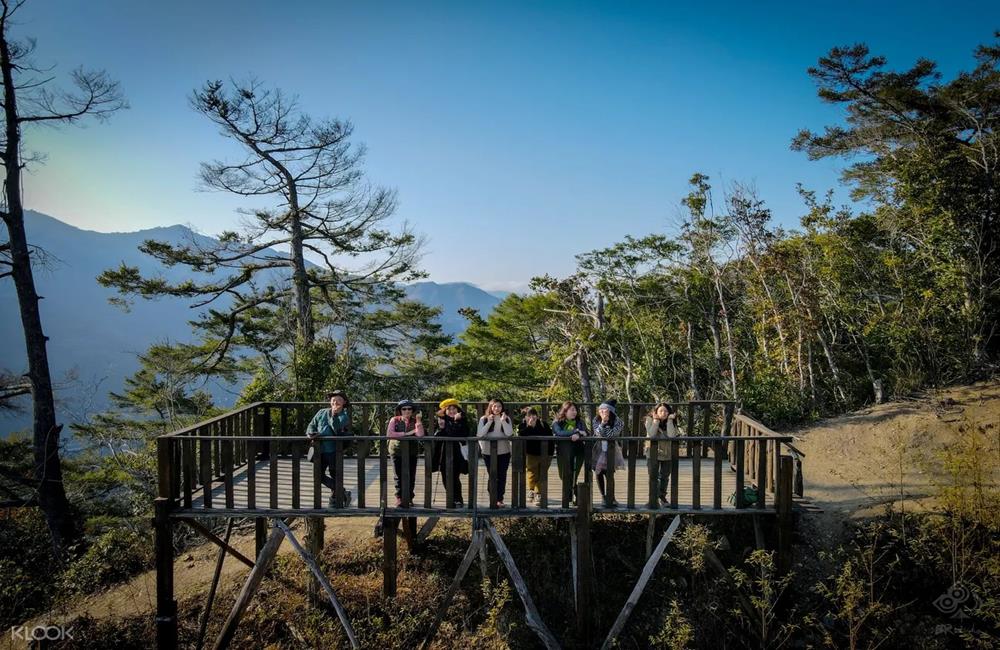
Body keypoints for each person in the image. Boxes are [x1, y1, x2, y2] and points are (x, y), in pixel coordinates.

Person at [306, 390, 353, 506]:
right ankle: (341, 492)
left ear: (344, 402)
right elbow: (311, 425)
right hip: (319, 450)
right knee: (318, 475)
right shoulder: (321, 412)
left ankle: (335, 498)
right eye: (333, 399)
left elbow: (336, 427)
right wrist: (311, 433)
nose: (335, 402)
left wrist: (334, 414)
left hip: (334, 450)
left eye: (338, 400)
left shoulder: (344, 416)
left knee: (335, 474)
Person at [386, 399, 425, 506]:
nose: (407, 411)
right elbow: (390, 434)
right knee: (398, 475)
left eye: (409, 409)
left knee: (411, 475)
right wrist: (406, 433)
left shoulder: (414, 421)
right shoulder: (394, 420)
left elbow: (420, 435)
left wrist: (418, 421)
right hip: (396, 450)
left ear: (412, 411)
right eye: (404, 409)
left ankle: (409, 497)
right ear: (400, 410)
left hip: (411, 451)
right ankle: (399, 497)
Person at [432, 398, 469, 507]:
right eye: (449, 409)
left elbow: (460, 433)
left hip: (458, 453)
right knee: (445, 476)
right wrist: (442, 427)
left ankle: (458, 499)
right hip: (444, 452)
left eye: (454, 409)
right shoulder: (441, 420)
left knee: (455, 476)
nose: (452, 411)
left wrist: (455, 421)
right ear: (445, 411)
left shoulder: (462, 419)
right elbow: (437, 435)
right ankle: (451, 498)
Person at [477, 398, 513, 507]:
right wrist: (489, 422)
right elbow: (480, 434)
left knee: (502, 475)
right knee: (492, 475)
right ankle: (493, 497)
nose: (497, 408)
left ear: (502, 408)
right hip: (488, 452)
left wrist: (503, 421)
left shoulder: (506, 419)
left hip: (504, 451)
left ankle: (499, 499)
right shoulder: (484, 419)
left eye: (499, 406)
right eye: (494, 406)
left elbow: (509, 433)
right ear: (490, 407)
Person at [552, 401, 589, 503]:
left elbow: (586, 432)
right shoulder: (557, 422)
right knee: (563, 475)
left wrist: (580, 433)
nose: (574, 412)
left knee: (573, 475)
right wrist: (575, 432)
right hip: (563, 453)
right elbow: (559, 432)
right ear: (565, 411)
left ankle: (570, 497)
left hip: (578, 452)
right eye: (572, 410)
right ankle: (577, 493)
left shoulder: (580, 422)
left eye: (575, 410)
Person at [645, 403, 680, 506]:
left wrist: (669, 421)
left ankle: (662, 498)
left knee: (664, 476)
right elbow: (651, 434)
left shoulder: (672, 421)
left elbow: (671, 435)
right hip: (652, 452)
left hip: (667, 452)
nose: (663, 413)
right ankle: (653, 499)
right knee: (653, 476)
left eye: (665, 411)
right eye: (661, 411)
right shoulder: (649, 420)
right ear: (656, 412)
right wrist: (656, 421)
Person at [592, 399, 625, 505]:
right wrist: (603, 422)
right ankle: (603, 496)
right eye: (600, 410)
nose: (602, 412)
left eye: (605, 410)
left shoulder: (618, 421)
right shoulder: (595, 420)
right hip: (598, 449)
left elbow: (613, 434)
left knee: (609, 473)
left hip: (611, 449)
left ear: (611, 411)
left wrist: (605, 427)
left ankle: (612, 497)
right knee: (598, 473)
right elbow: (598, 434)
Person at [518, 406, 554, 504]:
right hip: (531, 453)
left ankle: (538, 493)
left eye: (534, 415)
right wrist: (530, 427)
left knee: (542, 473)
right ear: (525, 417)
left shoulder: (543, 424)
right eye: (529, 415)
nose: (532, 417)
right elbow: (521, 435)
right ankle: (531, 490)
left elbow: (549, 436)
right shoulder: (522, 425)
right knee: (532, 472)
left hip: (546, 453)